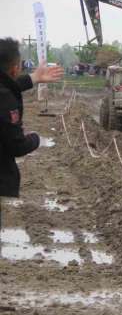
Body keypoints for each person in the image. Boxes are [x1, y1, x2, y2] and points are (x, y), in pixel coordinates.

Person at [0, 38, 64, 200]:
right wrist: (36, 139)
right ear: (15, 69)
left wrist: (33, 78)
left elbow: (8, 84)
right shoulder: (5, 99)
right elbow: (16, 146)